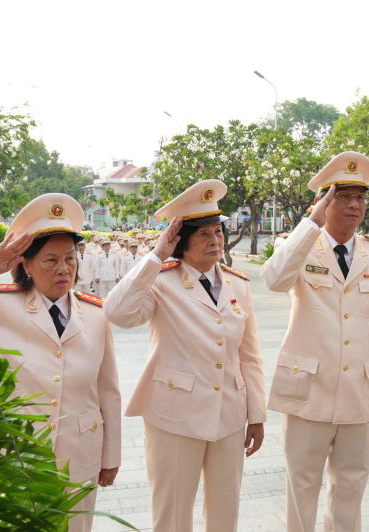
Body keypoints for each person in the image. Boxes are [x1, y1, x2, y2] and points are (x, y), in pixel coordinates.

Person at [0, 194, 121, 532]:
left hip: (81, 458)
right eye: (50, 259)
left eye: (70, 257)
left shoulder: (96, 313)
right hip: (16, 458)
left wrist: (111, 457)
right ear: (26, 264)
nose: (64, 268)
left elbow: (107, 391)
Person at [104, 180, 266, 532]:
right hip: (174, 417)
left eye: (218, 232)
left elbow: (249, 356)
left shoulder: (239, 284)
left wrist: (256, 414)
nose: (215, 241)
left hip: (229, 414)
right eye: (204, 235)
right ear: (182, 242)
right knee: (173, 514)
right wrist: (155, 256)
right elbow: (116, 313)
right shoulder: (161, 282)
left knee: (225, 513)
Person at [261, 152, 369, 532]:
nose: (354, 204)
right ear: (324, 201)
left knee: (351, 485)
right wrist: (311, 224)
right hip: (308, 389)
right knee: (303, 485)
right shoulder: (301, 246)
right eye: (343, 195)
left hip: (358, 391)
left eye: (360, 197)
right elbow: (274, 279)